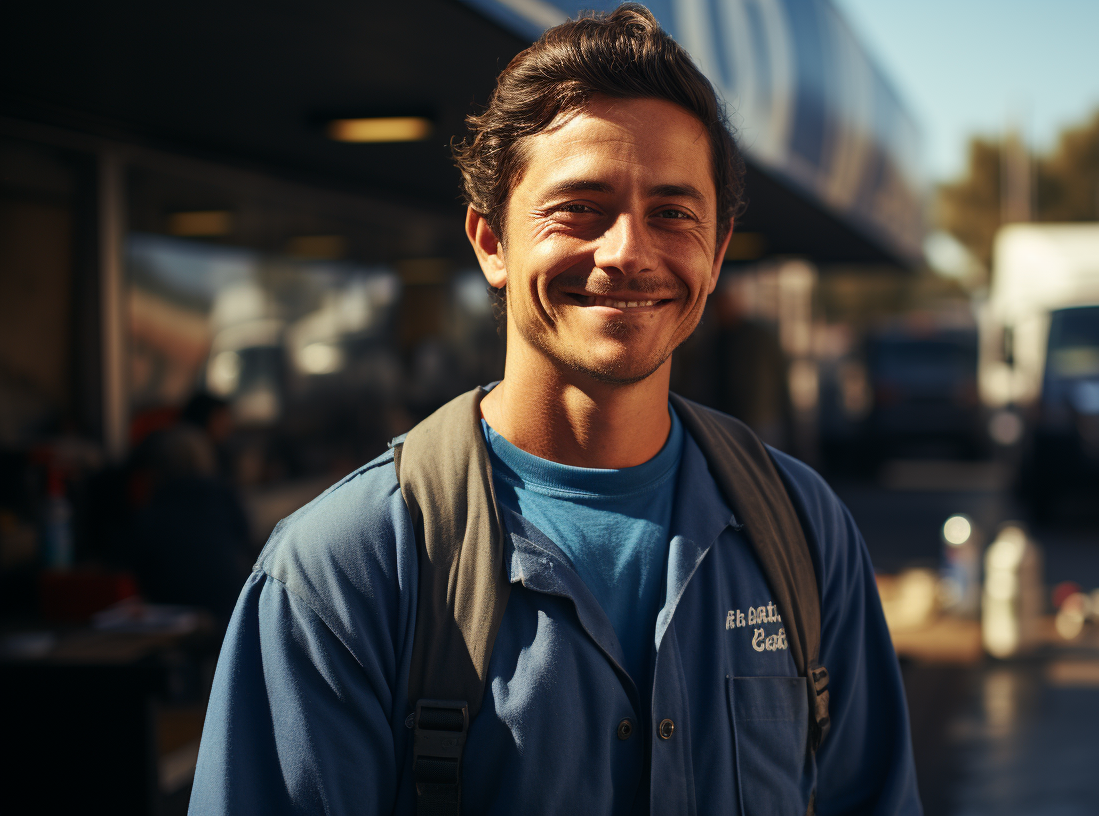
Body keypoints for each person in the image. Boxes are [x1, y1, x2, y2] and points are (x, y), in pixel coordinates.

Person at [189, 6, 920, 814]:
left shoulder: (802, 529)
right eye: (580, 207)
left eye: (673, 214)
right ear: (491, 241)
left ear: (715, 256)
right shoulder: (344, 570)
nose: (628, 252)